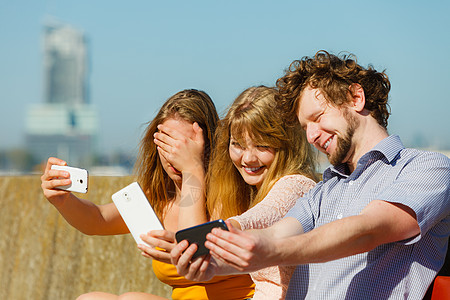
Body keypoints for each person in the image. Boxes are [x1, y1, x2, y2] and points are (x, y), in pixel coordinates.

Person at [171, 51, 450, 299]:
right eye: (305, 127)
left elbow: (368, 230)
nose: (312, 136)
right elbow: (275, 234)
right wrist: (210, 263)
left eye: (317, 118)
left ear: (356, 97)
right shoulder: (323, 190)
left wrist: (270, 252)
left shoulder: (426, 168)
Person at [40, 89, 255, 300]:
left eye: (184, 147)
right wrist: (63, 200)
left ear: (210, 144)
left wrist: (192, 171)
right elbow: (98, 219)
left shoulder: (236, 194)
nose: (174, 157)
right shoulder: (161, 198)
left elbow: (195, 255)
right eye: (166, 145)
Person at [143, 86, 318, 299]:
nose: (248, 158)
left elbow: (263, 216)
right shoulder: (253, 188)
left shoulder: (296, 185)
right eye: (238, 144)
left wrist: (214, 234)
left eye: (262, 145)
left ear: (287, 143)